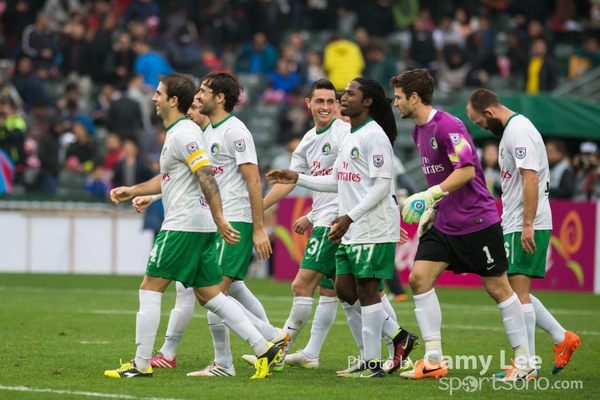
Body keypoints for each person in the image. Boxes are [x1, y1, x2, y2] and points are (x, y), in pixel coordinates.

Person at [103, 73, 282, 379]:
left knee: (150, 287)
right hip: (198, 224)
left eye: (159, 93)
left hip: (183, 225)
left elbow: (206, 175)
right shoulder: (185, 132)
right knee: (210, 295)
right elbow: (174, 177)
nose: (154, 98)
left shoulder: (184, 134)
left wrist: (221, 217)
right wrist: (135, 191)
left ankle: (141, 364)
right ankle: (264, 346)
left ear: (173, 100)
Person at [266, 77, 418, 378]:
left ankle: (372, 362)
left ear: (367, 101)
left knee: (367, 291)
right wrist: (298, 179)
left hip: (369, 224)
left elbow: (382, 186)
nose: (341, 99)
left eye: (348, 94)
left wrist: (350, 216)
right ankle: (397, 338)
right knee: (344, 290)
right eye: (342, 94)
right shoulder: (350, 136)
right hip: (350, 226)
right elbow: (337, 180)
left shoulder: (374, 136)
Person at [389, 69, 532, 381]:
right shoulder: (418, 132)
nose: (395, 103)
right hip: (445, 222)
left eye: (398, 97)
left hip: (476, 220)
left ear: (414, 97)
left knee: (498, 289)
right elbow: (443, 178)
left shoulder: (448, 126)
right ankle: (433, 360)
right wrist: (434, 207)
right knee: (418, 278)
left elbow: (466, 170)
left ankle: (525, 362)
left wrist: (429, 195)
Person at [466, 88, 581, 377]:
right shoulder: (510, 131)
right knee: (515, 291)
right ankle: (560, 338)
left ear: (489, 112)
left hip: (526, 222)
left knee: (516, 294)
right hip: (515, 221)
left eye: (480, 122)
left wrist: (527, 223)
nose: (481, 127)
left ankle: (526, 365)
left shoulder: (519, 130)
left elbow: (530, 178)